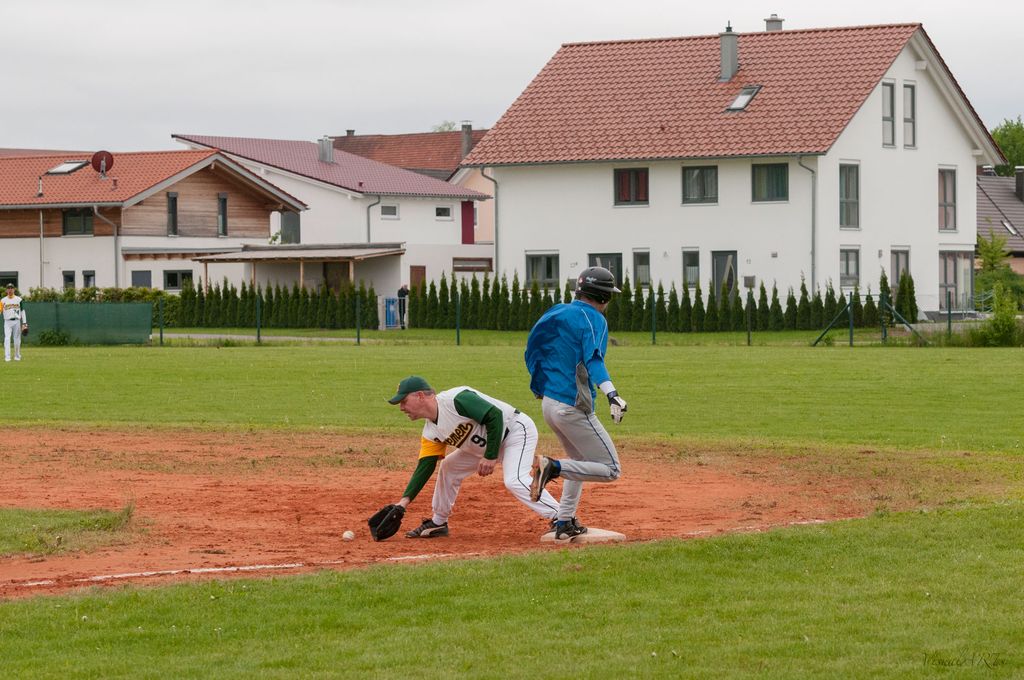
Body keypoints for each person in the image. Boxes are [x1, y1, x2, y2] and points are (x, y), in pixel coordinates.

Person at [386, 376, 560, 538]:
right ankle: (438, 522)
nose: (401, 408)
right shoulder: (430, 432)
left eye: (404, 401)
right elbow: (425, 467)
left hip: (514, 432)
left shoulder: (455, 400)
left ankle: (562, 517)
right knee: (449, 467)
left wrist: (490, 456)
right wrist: (403, 503)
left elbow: (494, 416)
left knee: (514, 480)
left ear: (420, 396)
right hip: (485, 447)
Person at [524, 266, 626, 541]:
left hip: (549, 403)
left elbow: (533, 349)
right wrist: (612, 393)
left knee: (579, 461)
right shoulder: (594, 318)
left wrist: (540, 384)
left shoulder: (557, 311)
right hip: (572, 405)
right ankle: (552, 467)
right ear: (604, 297)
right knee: (611, 469)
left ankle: (564, 522)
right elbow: (594, 359)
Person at [2, 283, 27, 362]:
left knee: (17, 339)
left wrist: (24, 323)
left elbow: (22, 311)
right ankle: (7, 357)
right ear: (6, 290)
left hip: (17, 321)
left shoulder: (19, 299)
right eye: (8, 288)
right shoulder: (3, 300)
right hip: (7, 322)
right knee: (7, 339)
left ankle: (17, 356)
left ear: (14, 289)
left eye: (11, 288)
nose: (10, 289)